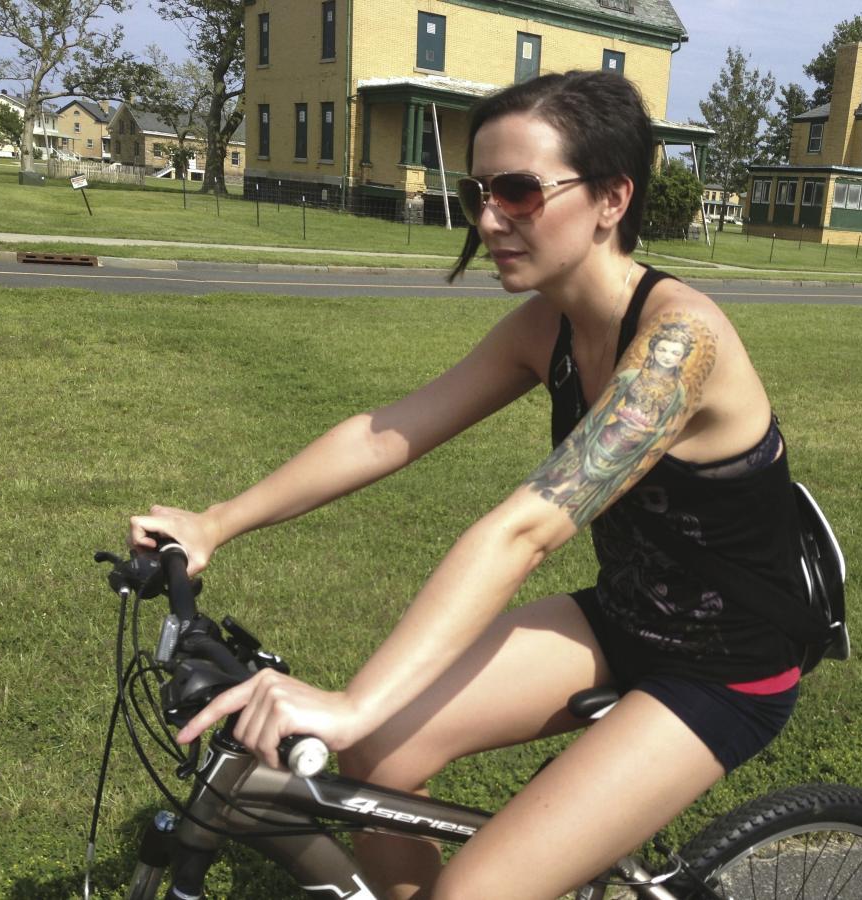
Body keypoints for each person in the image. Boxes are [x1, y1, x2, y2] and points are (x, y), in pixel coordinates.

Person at [131, 70, 810, 900]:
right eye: (480, 190)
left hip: (727, 666)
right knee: (381, 752)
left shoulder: (680, 346)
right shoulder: (548, 325)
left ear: (611, 198)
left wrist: (351, 699)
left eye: (520, 192)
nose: (488, 218)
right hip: (626, 616)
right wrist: (215, 522)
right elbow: (388, 433)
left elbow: (524, 531)